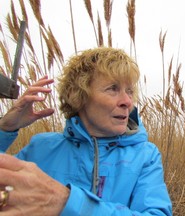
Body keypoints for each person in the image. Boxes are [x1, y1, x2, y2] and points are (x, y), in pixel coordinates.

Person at [0, 47, 172, 215]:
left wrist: (66, 202)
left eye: (130, 91)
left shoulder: (145, 156)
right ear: (79, 96)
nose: (127, 101)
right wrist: (4, 130)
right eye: (113, 88)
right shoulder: (41, 147)